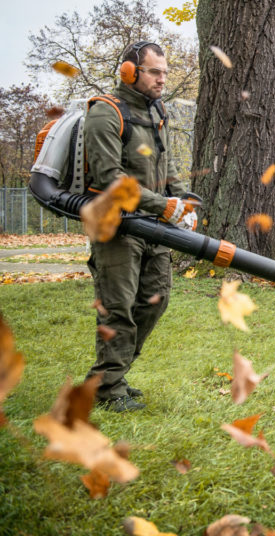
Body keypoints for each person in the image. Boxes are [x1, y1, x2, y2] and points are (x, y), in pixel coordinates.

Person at [84, 41, 196, 412]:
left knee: (155, 300)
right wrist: (163, 205)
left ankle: (109, 377)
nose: (162, 79)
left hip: (154, 230)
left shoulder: (157, 111)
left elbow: (166, 168)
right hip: (118, 230)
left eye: (165, 72)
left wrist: (183, 200)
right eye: (154, 71)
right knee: (119, 309)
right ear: (129, 72)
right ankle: (108, 388)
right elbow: (110, 178)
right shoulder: (106, 113)